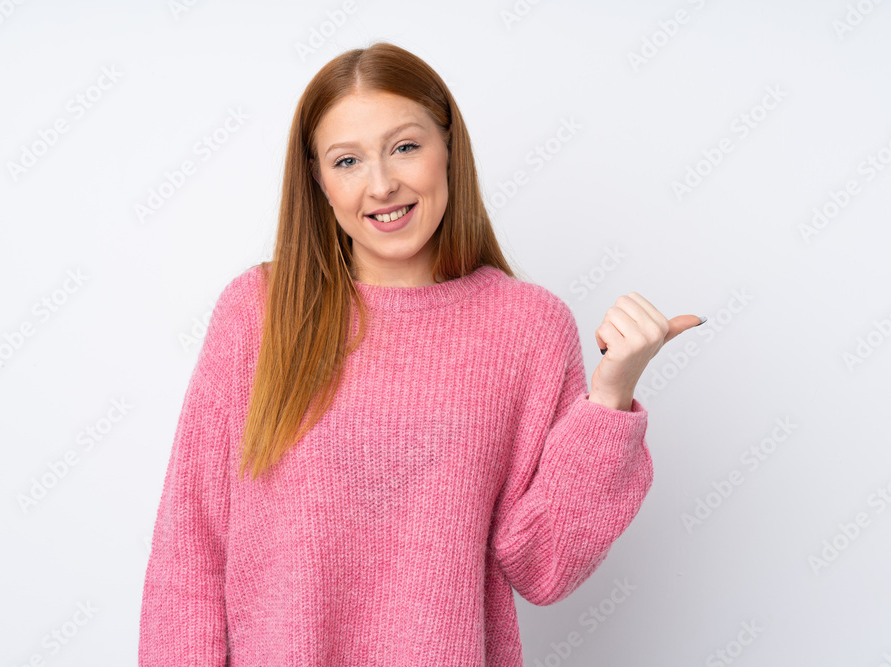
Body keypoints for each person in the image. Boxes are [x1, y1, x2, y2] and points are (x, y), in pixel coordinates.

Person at [138, 41, 703, 666]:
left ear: (448, 150)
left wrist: (610, 398)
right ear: (318, 182)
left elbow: (543, 567)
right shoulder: (260, 312)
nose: (381, 185)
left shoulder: (527, 327)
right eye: (347, 160)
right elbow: (190, 547)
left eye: (405, 147)